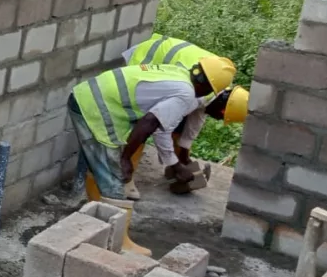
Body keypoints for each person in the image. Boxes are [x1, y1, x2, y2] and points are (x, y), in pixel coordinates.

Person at [67, 56, 237, 256]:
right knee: (114, 177)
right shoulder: (185, 94)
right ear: (210, 89)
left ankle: (94, 216)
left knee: (98, 166)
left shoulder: (180, 73)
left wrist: (173, 163)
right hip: (96, 107)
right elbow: (148, 123)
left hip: (85, 96)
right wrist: (125, 159)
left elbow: (159, 127)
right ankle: (120, 243)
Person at [120, 34, 250, 199]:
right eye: (220, 117)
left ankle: (172, 170)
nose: (217, 119)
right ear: (223, 109)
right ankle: (124, 178)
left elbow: (194, 122)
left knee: (177, 122)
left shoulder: (215, 85)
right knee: (141, 125)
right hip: (145, 59)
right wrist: (175, 164)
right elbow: (161, 129)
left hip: (166, 61)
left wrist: (184, 159)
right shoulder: (196, 93)